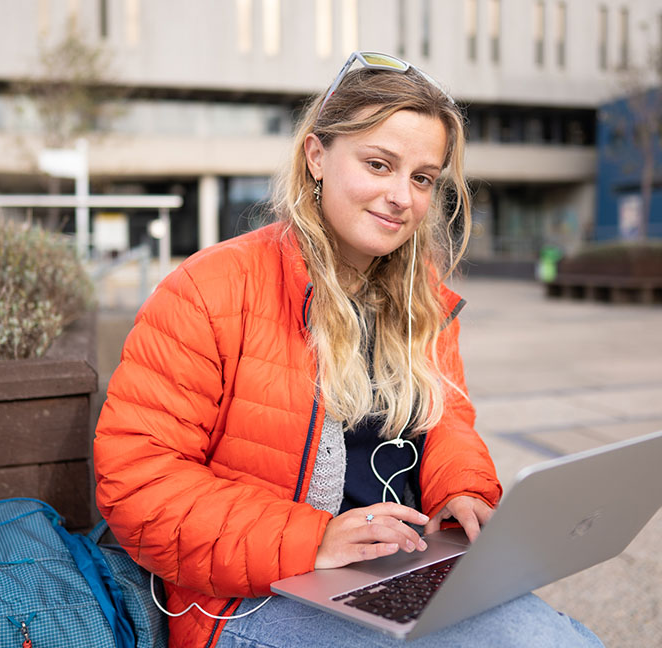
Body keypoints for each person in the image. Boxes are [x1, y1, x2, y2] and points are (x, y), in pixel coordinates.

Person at [94, 51, 604, 648]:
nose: (401, 197)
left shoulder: (423, 301)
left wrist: (460, 490)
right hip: (251, 595)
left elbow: (447, 421)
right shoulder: (210, 288)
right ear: (316, 156)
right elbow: (138, 483)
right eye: (378, 164)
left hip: (398, 563)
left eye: (421, 178)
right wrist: (314, 540)